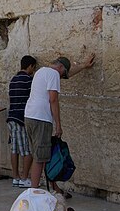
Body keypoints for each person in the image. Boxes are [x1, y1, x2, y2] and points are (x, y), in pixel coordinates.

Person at [24, 53, 95, 190]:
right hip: (41, 118)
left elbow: (66, 74)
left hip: (30, 115)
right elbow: (53, 100)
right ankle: (34, 192)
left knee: (40, 154)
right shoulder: (54, 74)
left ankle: (53, 187)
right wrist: (58, 125)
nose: (62, 77)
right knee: (40, 158)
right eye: (63, 73)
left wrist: (83, 65)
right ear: (61, 67)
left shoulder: (41, 71)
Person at [7, 55, 37, 187]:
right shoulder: (28, 80)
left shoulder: (13, 80)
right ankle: (24, 178)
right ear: (30, 66)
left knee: (14, 149)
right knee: (27, 150)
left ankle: (15, 177)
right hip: (21, 118)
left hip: (12, 117)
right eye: (33, 68)